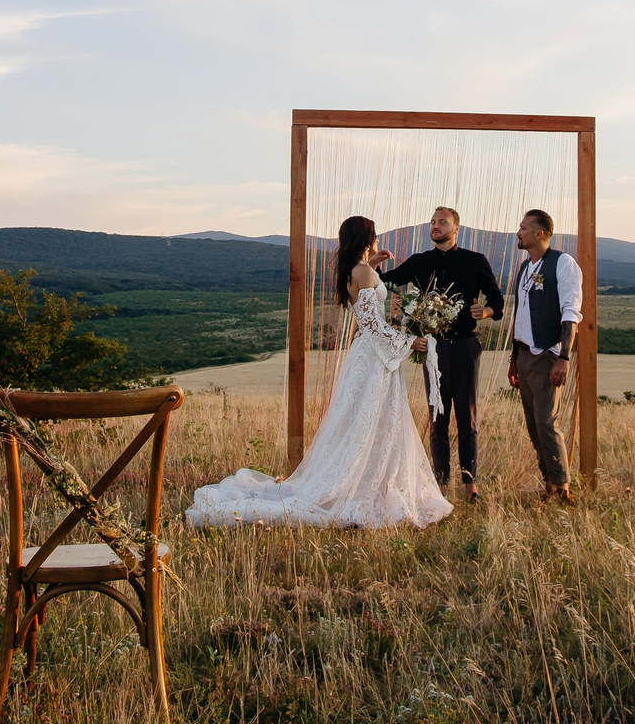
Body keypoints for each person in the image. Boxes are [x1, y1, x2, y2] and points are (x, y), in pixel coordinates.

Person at [184, 215, 453, 530]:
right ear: (368, 238)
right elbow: (375, 326)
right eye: (375, 236)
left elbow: (367, 299)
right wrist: (411, 341)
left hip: (367, 355)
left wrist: (375, 264)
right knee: (369, 422)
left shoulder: (355, 269)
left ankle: (372, 480)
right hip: (374, 356)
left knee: (366, 422)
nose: (378, 240)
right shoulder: (363, 272)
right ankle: (363, 485)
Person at [379, 205, 505, 499]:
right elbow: (385, 283)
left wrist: (484, 312)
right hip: (432, 348)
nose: (435, 226)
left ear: (456, 228)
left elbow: (497, 300)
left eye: (442, 222)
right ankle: (440, 484)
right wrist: (370, 264)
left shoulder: (475, 260)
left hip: (465, 347)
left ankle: (470, 484)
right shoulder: (420, 262)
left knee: (467, 417)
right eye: (433, 222)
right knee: (437, 417)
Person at [507, 207, 584, 505]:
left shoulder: (563, 264)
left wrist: (563, 358)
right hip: (525, 354)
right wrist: (514, 359)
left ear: (539, 234)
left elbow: (570, 312)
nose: (519, 232)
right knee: (533, 424)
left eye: (524, 228)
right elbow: (521, 315)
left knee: (546, 423)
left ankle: (562, 487)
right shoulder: (526, 268)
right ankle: (549, 484)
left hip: (548, 355)